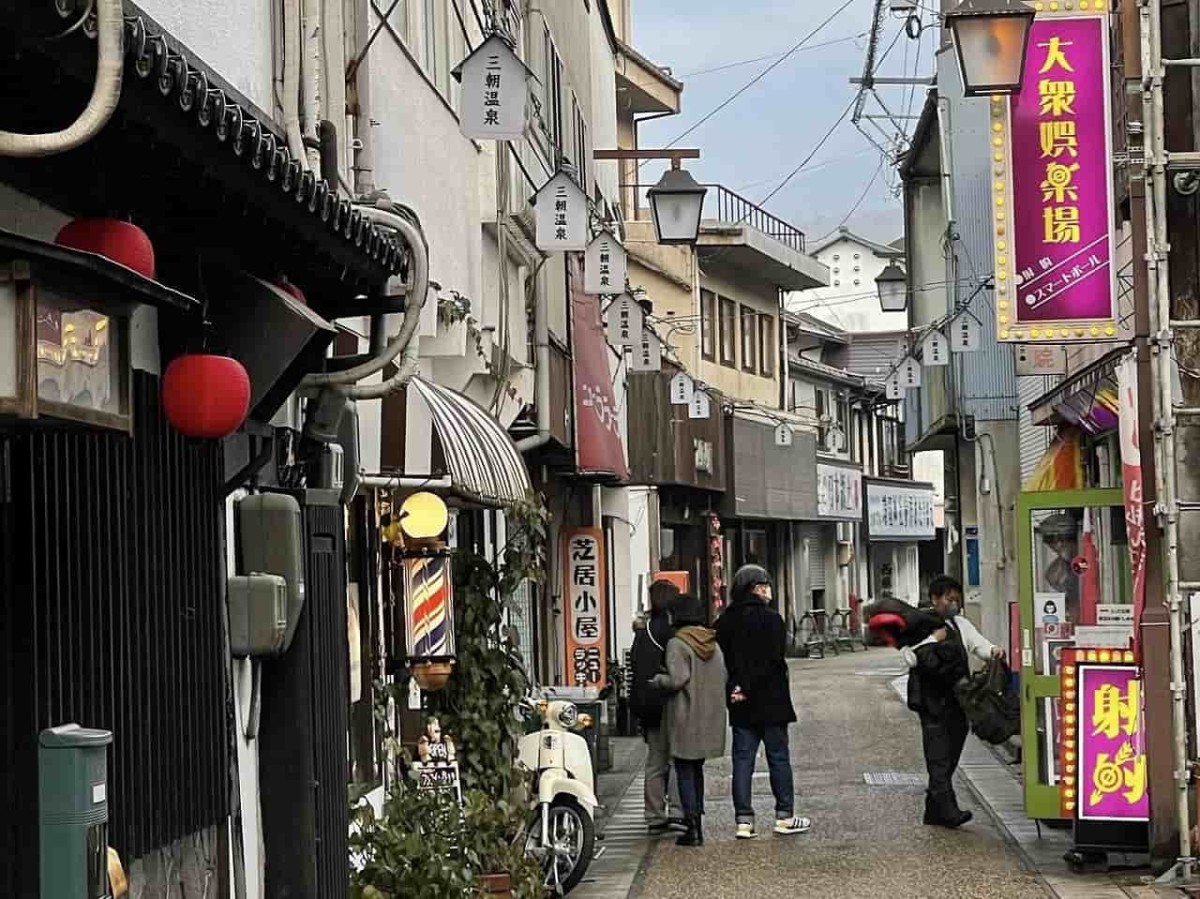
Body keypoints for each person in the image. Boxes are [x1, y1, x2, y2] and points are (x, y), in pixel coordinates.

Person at [716, 564, 810, 839]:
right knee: (778, 758)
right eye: (766, 585)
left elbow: (725, 660)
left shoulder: (725, 621)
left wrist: (738, 686)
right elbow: (774, 659)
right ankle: (784, 816)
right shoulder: (772, 620)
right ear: (756, 588)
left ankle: (743, 821)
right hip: (771, 701)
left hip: (740, 698)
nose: (769, 590)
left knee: (743, 760)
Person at [903, 574, 1004, 828]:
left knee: (952, 752)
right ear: (935, 599)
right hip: (932, 702)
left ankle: (934, 809)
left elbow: (977, 643)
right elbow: (910, 657)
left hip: (959, 700)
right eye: (949, 599)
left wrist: (992, 651)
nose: (953, 604)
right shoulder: (921, 625)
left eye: (957, 600)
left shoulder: (960, 624)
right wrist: (934, 638)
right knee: (938, 755)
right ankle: (948, 810)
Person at [652, 594, 727, 847]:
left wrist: (658, 680)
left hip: (686, 716)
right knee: (696, 770)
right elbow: (723, 676)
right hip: (708, 717)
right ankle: (698, 820)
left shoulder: (678, 644)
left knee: (684, 769)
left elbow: (677, 679)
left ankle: (692, 828)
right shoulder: (712, 643)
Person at [629, 579, 683, 833]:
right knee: (675, 759)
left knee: (654, 762)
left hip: (646, 702)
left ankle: (654, 815)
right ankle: (677, 811)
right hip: (668, 701)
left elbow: (636, 668)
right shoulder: (672, 631)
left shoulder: (643, 631)